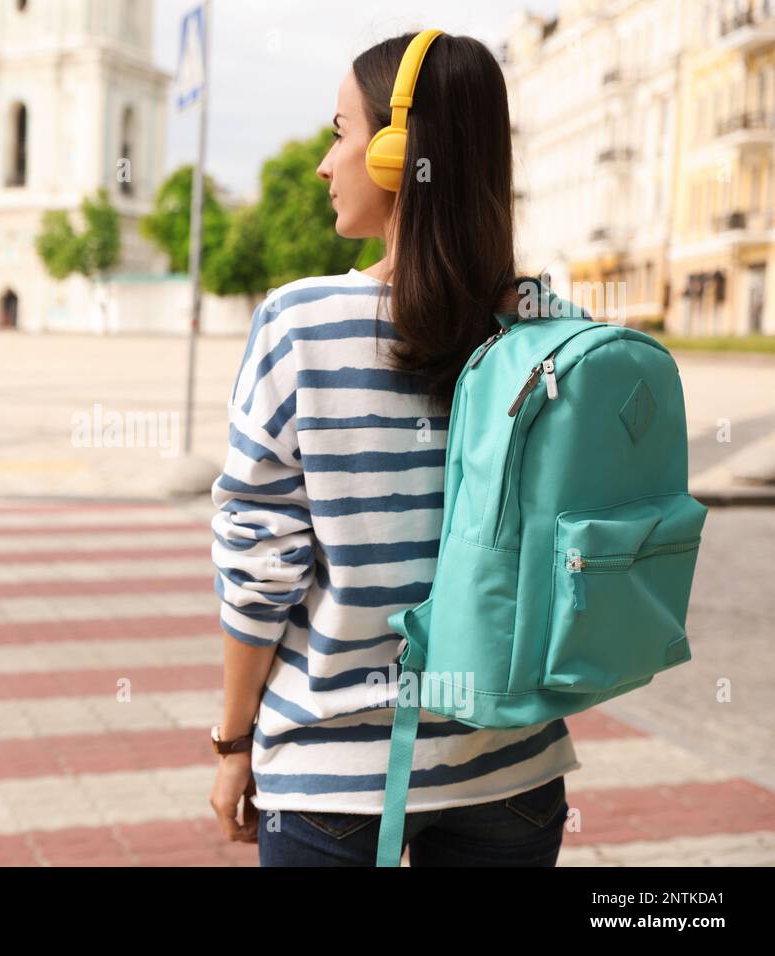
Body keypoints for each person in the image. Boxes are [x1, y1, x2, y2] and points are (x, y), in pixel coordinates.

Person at [207, 30, 580, 866]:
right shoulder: (548, 326)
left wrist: (233, 744)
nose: (323, 163)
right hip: (511, 773)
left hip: (336, 779)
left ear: (395, 155)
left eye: (339, 132)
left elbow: (260, 564)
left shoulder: (297, 323)